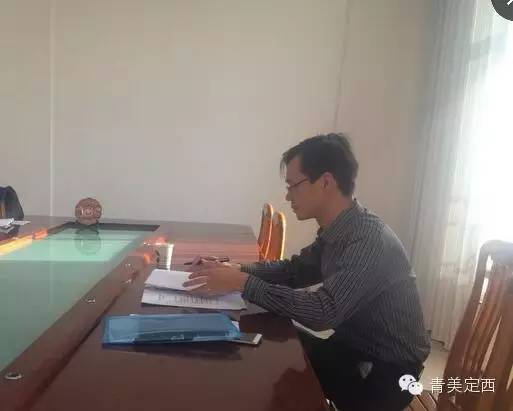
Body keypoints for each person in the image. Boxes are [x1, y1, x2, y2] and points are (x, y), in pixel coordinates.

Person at [183, 133, 430, 411]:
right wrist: (236, 269)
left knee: (270, 362)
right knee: (261, 340)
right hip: (352, 348)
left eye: (293, 186)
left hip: (387, 372)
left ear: (326, 182)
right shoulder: (338, 230)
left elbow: (323, 312)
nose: (287, 196)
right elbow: (293, 271)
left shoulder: (368, 240)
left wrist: (243, 282)